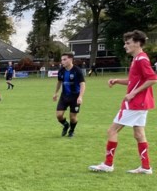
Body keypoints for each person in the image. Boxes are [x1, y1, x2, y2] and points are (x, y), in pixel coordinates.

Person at [89, 30, 157, 174]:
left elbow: (152, 79)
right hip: (141, 103)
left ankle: (108, 164)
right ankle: (145, 167)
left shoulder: (142, 60)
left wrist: (133, 93)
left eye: (128, 43)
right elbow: (136, 81)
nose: (125, 46)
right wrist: (118, 80)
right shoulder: (137, 59)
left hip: (135, 103)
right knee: (139, 134)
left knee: (112, 130)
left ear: (137, 43)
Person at [52, 52, 85, 138]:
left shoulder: (77, 70)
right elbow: (59, 82)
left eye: (64, 59)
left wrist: (80, 96)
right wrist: (55, 93)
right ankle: (66, 125)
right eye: (61, 60)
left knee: (73, 118)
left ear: (70, 59)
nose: (62, 61)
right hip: (64, 96)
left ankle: (71, 131)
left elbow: (82, 84)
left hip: (75, 97)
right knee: (59, 115)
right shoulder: (61, 71)